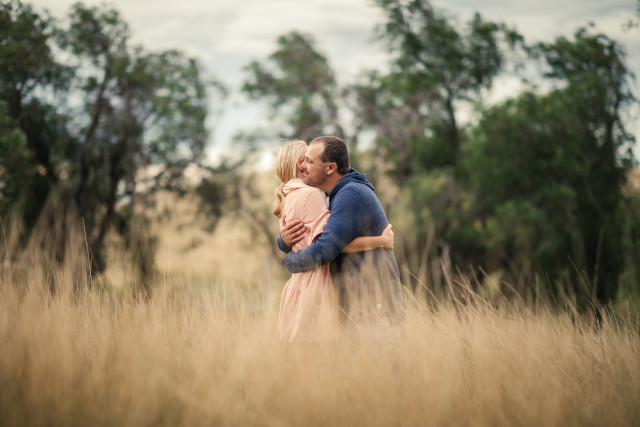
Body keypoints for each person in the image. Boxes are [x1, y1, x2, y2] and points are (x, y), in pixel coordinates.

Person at [278, 136, 405, 351]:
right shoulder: (333, 194)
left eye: (309, 161)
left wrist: (290, 261)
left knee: (378, 372)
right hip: (357, 312)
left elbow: (326, 248)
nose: (303, 166)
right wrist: (283, 241)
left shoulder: (350, 195)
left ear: (330, 168)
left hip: (373, 312)